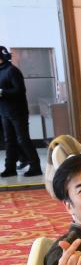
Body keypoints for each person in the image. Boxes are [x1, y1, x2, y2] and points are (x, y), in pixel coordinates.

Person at [0, 46, 42, 177]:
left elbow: (20, 90)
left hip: (18, 112)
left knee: (23, 140)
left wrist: (2, 92)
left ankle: (35, 167)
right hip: (4, 112)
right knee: (9, 141)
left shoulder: (12, 70)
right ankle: (10, 168)